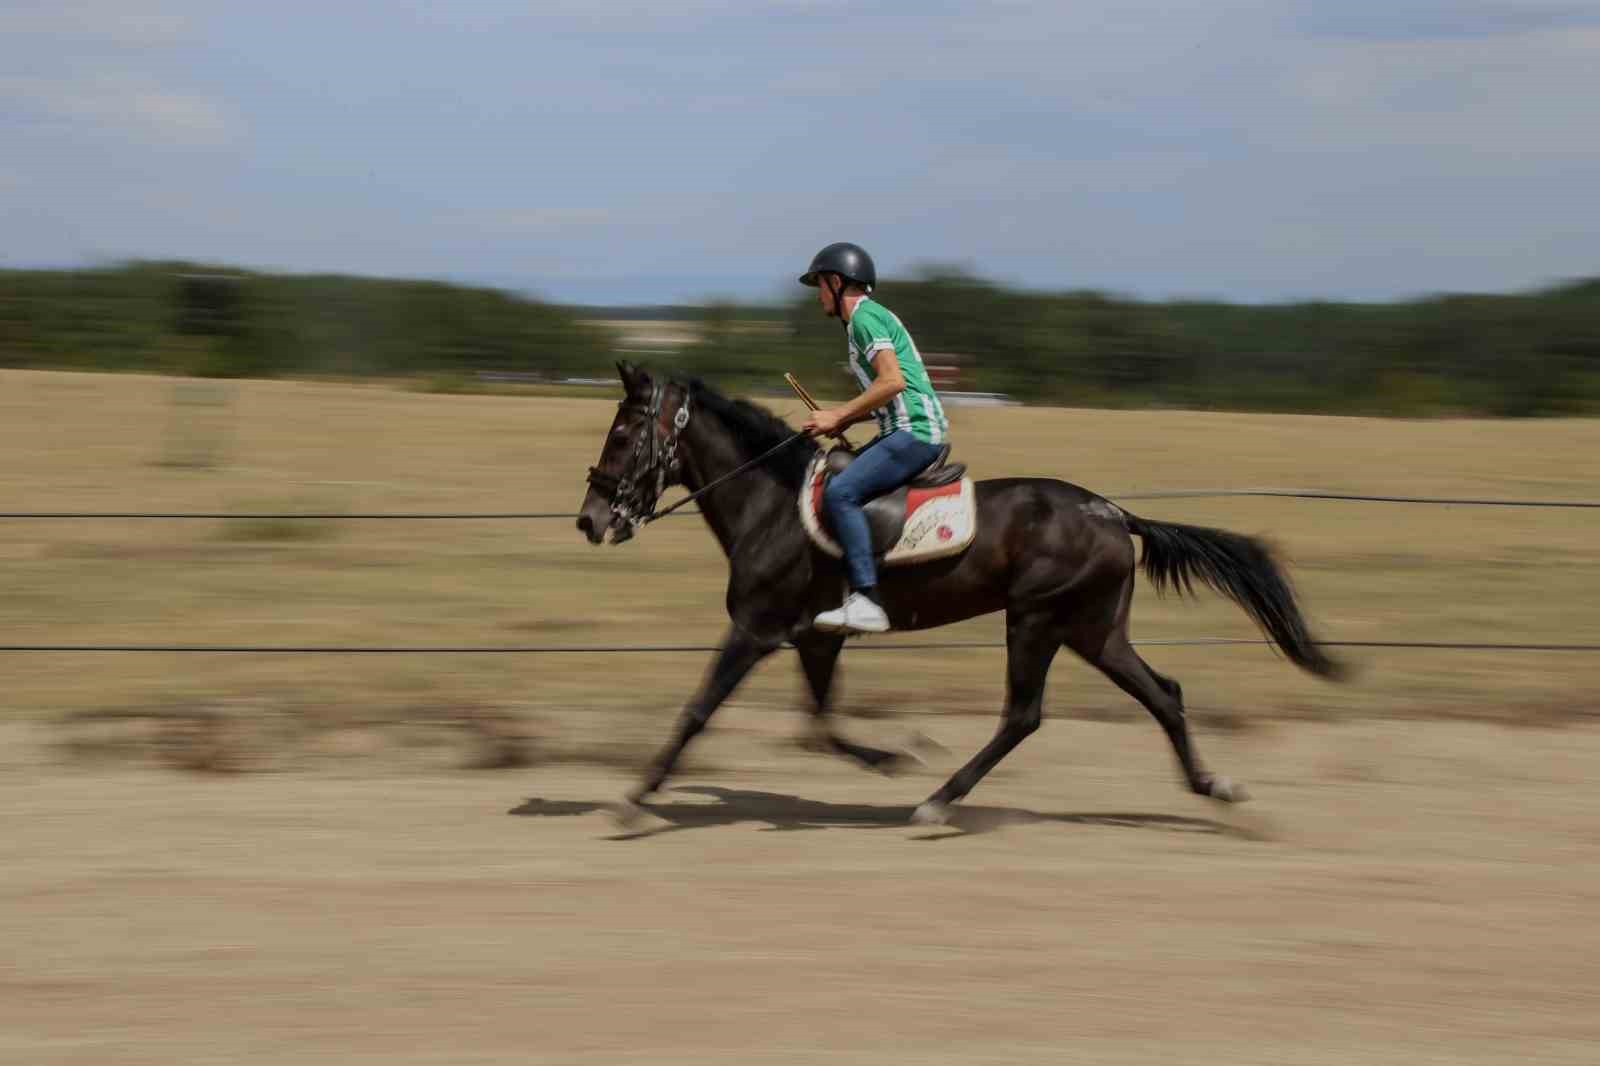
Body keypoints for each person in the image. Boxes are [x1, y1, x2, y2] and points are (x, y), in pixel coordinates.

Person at [798, 242, 951, 635]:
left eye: (819, 286)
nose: (818, 296)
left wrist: (838, 414)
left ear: (836, 282)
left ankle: (867, 599)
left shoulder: (865, 319)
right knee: (836, 476)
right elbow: (891, 391)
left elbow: (893, 381)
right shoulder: (864, 321)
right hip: (901, 428)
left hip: (915, 433)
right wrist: (845, 422)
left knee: (840, 493)